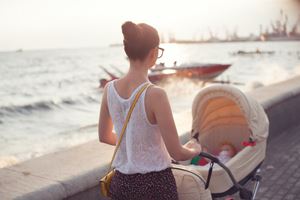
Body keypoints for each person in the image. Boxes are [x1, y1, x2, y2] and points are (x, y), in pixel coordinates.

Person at [98, 21, 201, 200]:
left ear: (126, 50)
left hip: (121, 184)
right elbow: (177, 152)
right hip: (155, 186)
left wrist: (134, 145)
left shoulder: (109, 89)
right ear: (154, 53)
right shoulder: (156, 94)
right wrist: (195, 149)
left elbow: (104, 136)